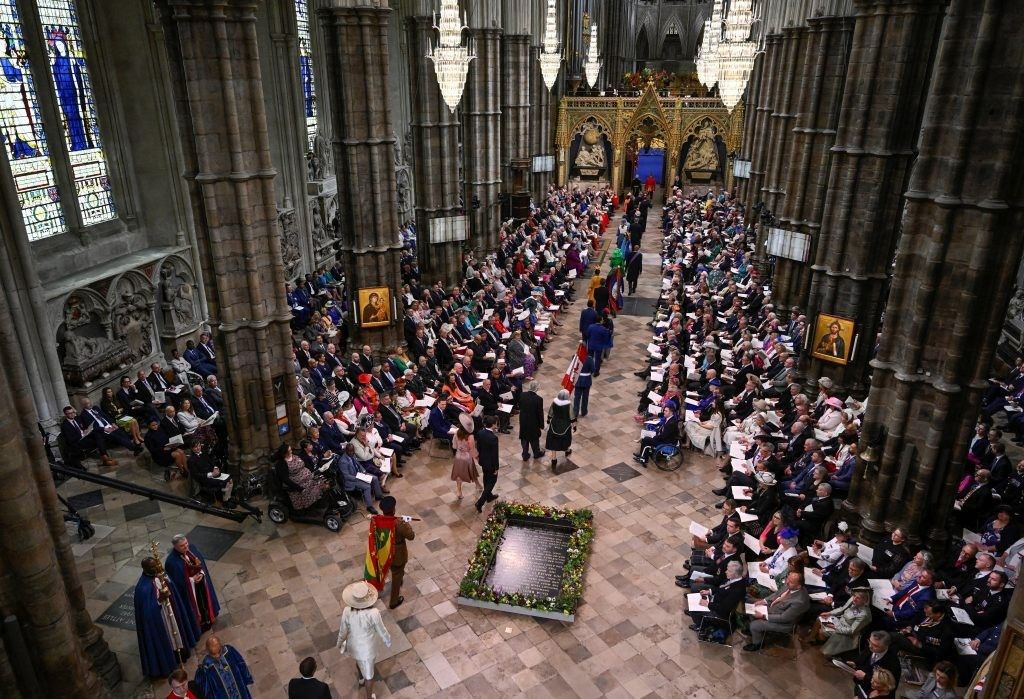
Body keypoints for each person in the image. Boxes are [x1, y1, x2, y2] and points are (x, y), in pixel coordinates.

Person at [134, 557, 197, 677]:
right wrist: (159, 600)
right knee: (168, 637)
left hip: (170, 612)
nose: (156, 568)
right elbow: (147, 613)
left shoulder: (159, 575)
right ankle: (170, 660)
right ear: (145, 569)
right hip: (160, 619)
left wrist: (166, 579)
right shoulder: (142, 588)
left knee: (176, 631)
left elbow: (171, 587)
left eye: (156, 564)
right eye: (152, 567)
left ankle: (181, 652)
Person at [337, 581, 392, 699]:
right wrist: (387, 640)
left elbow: (343, 630)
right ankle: (368, 697)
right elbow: (381, 629)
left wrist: (339, 642)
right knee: (370, 676)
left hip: (353, 645)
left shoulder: (347, 611)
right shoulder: (373, 613)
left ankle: (360, 678)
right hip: (367, 651)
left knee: (358, 661)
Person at [164, 534, 220, 635]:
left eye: (186, 543)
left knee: (204, 602)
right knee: (196, 607)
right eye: (182, 546)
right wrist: (191, 580)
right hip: (189, 591)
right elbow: (177, 583)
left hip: (201, 584)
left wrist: (201, 574)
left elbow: (200, 564)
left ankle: (209, 618)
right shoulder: (171, 562)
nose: (186, 546)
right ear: (175, 547)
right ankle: (199, 626)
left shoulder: (192, 549)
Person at [744, 570, 810, 651]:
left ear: (798, 586)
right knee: (750, 603)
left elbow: (783, 618)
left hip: (784, 623)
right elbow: (777, 594)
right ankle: (756, 631)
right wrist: (763, 601)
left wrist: (763, 616)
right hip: (774, 607)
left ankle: (757, 643)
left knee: (755, 625)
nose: (786, 582)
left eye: (790, 582)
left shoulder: (799, 601)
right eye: (787, 579)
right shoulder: (790, 585)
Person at [380, 496, 414, 609]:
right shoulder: (398, 523)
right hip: (397, 553)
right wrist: (406, 523)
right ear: (394, 509)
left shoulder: (380, 521)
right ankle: (393, 601)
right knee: (396, 574)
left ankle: (399, 580)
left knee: (395, 570)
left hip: (385, 551)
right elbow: (411, 536)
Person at [274, 443, 330, 510]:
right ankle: (313, 508)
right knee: (310, 489)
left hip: (309, 476)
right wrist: (299, 488)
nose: (291, 450)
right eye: (289, 450)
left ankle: (322, 502)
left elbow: (304, 465)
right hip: (298, 483)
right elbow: (285, 479)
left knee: (323, 481)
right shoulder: (281, 464)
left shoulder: (295, 456)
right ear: (285, 453)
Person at [451, 413, 481, 500]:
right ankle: (478, 485)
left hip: (458, 456)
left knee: (459, 474)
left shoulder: (456, 433)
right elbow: (472, 450)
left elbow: (454, 446)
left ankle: (459, 491)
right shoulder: (470, 436)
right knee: (471, 471)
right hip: (467, 458)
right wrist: (477, 458)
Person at [545, 388, 575, 472]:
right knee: (565, 439)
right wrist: (574, 426)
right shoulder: (568, 405)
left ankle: (554, 459)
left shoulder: (554, 402)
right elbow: (572, 417)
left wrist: (548, 420)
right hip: (565, 425)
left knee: (553, 441)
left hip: (554, 424)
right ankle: (567, 450)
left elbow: (550, 412)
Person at [475, 415, 500, 513]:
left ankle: (489, 496)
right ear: (493, 425)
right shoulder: (493, 437)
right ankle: (480, 502)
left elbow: (479, 447)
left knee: (486, 478)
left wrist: (480, 459)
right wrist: (496, 467)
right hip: (490, 464)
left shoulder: (480, 433)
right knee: (492, 482)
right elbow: (495, 454)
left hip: (483, 462)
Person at [518, 381, 545, 461]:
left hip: (523, 420)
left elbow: (520, 405)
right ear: (537, 388)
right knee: (534, 438)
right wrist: (541, 425)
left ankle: (525, 454)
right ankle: (536, 453)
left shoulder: (522, 395)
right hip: (534, 422)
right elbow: (540, 413)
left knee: (524, 437)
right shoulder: (539, 399)